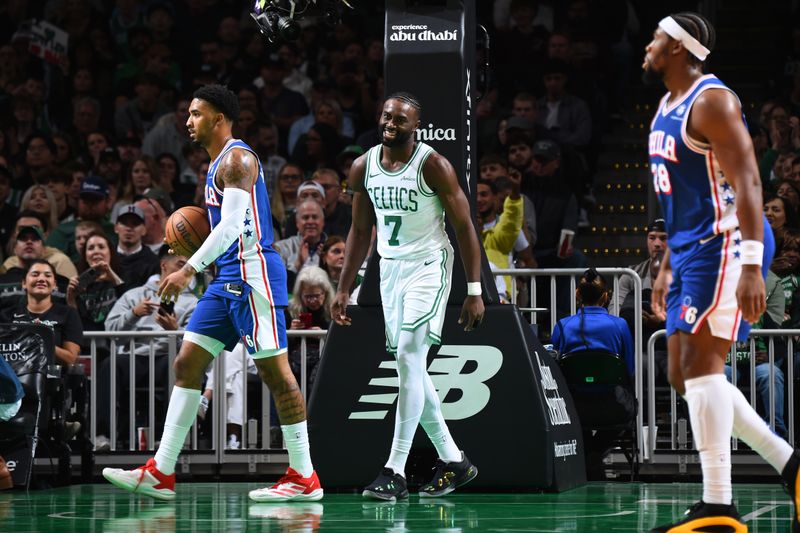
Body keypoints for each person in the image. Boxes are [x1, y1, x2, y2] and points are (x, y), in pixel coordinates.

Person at [102, 84, 321, 502]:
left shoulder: (238, 159)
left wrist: (187, 269)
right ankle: (161, 472)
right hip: (225, 280)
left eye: (196, 113)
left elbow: (232, 226)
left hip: (254, 275)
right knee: (187, 363)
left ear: (219, 118)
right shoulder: (215, 165)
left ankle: (304, 476)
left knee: (277, 374)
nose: (187, 121)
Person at [644, 13, 800, 531]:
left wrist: (755, 265)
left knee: (700, 366)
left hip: (729, 241)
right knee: (679, 374)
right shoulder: (665, 107)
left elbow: (751, 181)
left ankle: (718, 505)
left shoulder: (713, 101)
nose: (648, 46)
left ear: (681, 49)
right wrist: (665, 264)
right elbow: (676, 200)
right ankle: (790, 465)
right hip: (691, 247)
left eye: (658, 38)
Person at [331, 92, 484, 500]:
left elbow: (465, 227)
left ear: (416, 125)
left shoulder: (434, 165)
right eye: (385, 116)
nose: (390, 123)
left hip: (429, 266)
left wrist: (474, 290)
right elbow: (360, 231)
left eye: (399, 119)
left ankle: (394, 470)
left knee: (407, 359)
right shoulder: (363, 167)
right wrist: (344, 287)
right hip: (389, 271)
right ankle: (454, 460)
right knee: (410, 367)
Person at [95, 246, 197, 452]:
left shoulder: (192, 302)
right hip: (134, 357)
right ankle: (102, 435)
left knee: (176, 367)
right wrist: (133, 313)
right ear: (163, 265)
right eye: (180, 264)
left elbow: (194, 345)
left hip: (167, 356)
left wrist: (175, 331)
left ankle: (169, 437)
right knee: (109, 365)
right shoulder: (134, 295)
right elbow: (110, 331)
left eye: (188, 267)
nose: (185, 270)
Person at [614, 218, 669, 311]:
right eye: (652, 238)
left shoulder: (686, 273)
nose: (657, 244)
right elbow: (615, 312)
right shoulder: (630, 275)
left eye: (663, 238)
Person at [113, 204, 159, 287]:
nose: (129, 228)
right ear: (116, 228)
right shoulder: (107, 256)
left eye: (135, 223)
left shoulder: (153, 262)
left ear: (144, 230)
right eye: (124, 223)